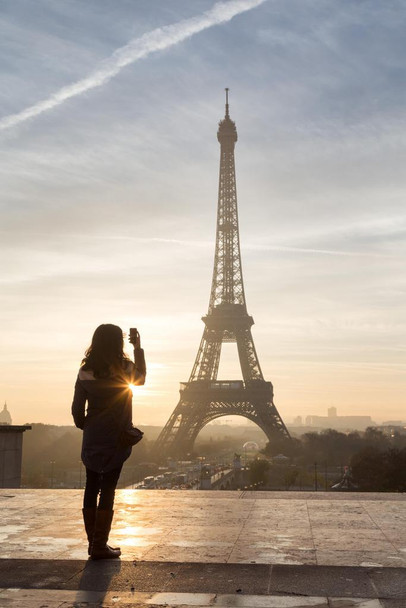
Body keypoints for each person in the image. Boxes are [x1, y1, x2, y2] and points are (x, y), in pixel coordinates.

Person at [71, 324, 146, 560]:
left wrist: (88, 426)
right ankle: (100, 544)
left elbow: (76, 410)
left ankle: (93, 544)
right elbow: (141, 379)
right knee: (109, 488)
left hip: (93, 435)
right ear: (118, 343)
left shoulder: (85, 371)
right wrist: (138, 348)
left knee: (91, 485)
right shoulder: (125, 369)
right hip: (116, 435)